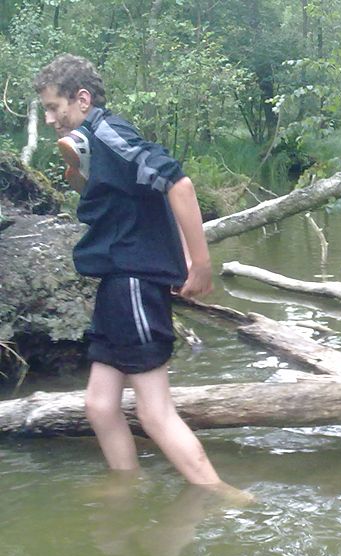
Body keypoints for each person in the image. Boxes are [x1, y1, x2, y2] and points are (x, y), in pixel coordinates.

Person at [34, 54, 242, 492]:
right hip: (115, 282)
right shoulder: (89, 142)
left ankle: (225, 495)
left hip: (132, 281)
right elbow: (118, 200)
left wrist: (199, 262)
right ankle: (127, 491)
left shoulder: (109, 132)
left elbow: (178, 184)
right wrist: (77, 173)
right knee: (99, 405)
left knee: (153, 410)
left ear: (82, 98)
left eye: (55, 107)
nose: (51, 118)